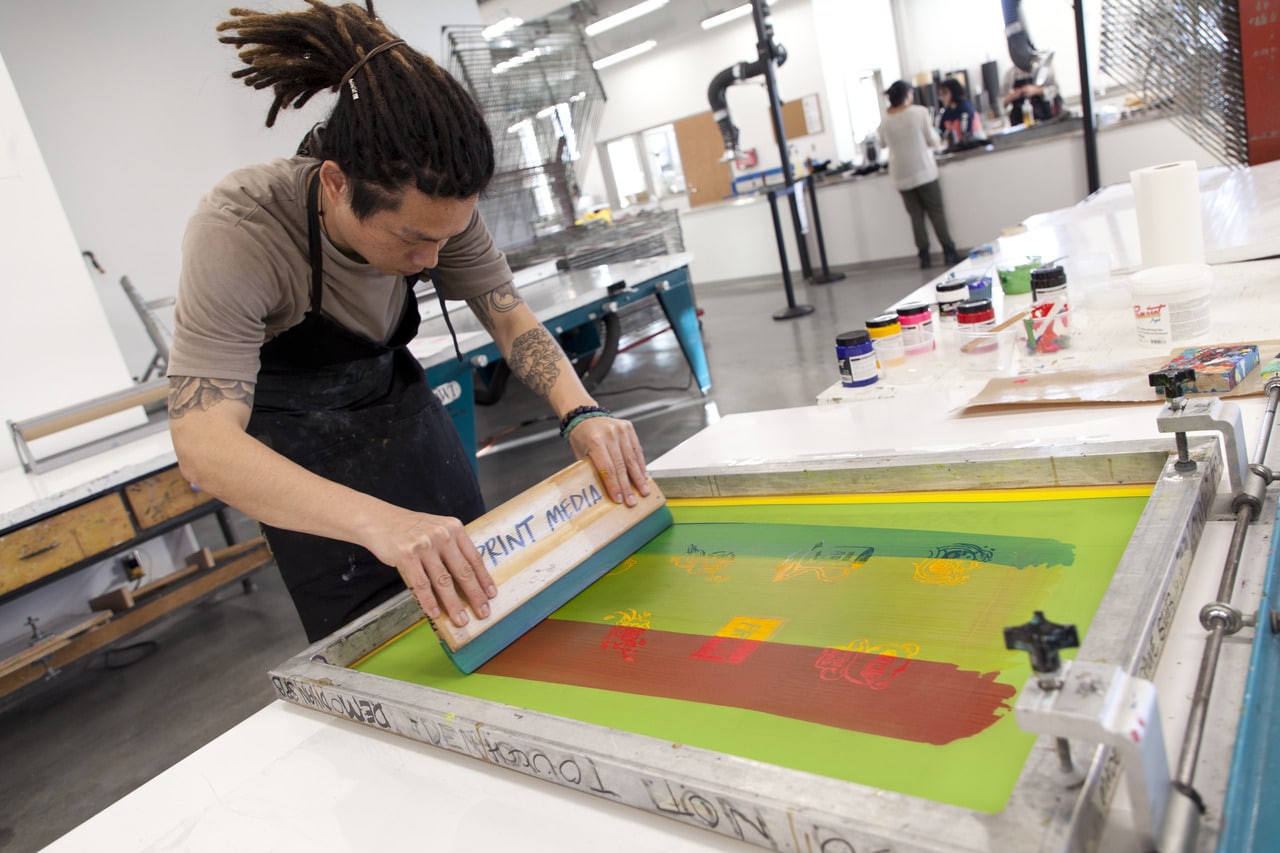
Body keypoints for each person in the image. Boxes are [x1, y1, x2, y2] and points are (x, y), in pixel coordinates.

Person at [166, 1, 651, 643]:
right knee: (381, 643)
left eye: (445, 239)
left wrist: (580, 411)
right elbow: (203, 447)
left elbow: (508, 317)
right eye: (412, 240)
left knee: (485, 601)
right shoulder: (242, 231)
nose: (431, 261)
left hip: (401, 411)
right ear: (337, 184)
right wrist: (382, 524)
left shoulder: (440, 209)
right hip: (301, 456)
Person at [878, 80, 960, 270]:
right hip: (924, 171)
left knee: (916, 216)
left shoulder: (885, 120)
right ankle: (949, 251)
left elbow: (882, 144)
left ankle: (924, 256)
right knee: (936, 212)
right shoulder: (919, 113)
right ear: (907, 95)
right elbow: (933, 140)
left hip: (901, 174)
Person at [1001, 53, 1060, 126]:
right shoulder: (1010, 74)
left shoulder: (1042, 69)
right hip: (1019, 124)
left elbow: (1055, 91)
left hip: (1044, 121)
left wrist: (1037, 90)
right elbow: (1001, 102)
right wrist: (1012, 96)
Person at [936, 78, 985, 151]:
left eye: (945, 93)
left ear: (954, 91)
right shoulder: (947, 112)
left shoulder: (965, 108)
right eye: (941, 94)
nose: (942, 97)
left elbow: (966, 133)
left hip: (975, 147)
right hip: (961, 147)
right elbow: (940, 131)